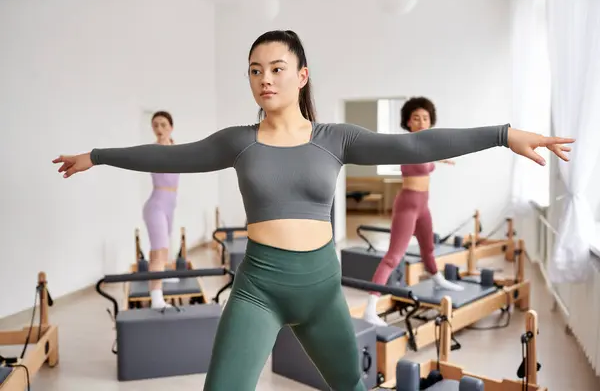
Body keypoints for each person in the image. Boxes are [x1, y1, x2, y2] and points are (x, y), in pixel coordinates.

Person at [52, 30, 574, 391]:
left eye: (277, 68)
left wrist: (504, 135)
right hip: (258, 289)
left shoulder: (335, 139)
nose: (265, 79)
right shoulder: (237, 141)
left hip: (322, 290)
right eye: (255, 70)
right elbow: (169, 157)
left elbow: (417, 146)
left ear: (302, 75)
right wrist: (96, 157)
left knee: (350, 383)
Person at [362, 96, 464, 327]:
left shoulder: (427, 144)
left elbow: (428, 158)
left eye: (425, 118)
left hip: (423, 205)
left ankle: (437, 278)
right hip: (407, 205)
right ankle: (370, 306)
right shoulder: (406, 144)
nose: (421, 121)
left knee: (428, 247)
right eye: (416, 118)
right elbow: (418, 156)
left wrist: (441, 157)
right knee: (393, 257)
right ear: (408, 122)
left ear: (430, 121)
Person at [143, 111, 180, 310]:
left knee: (164, 249)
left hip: (170, 204)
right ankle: (156, 298)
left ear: (171, 127)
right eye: (155, 125)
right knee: (158, 252)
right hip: (156, 205)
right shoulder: (152, 151)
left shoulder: (178, 149)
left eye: (163, 125)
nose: (159, 129)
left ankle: (163, 275)